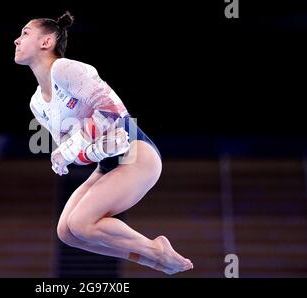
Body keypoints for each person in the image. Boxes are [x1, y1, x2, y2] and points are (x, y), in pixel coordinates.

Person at [14, 11, 193, 274]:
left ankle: (157, 250)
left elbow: (113, 111)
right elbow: (74, 151)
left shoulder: (66, 69)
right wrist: (86, 151)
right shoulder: (37, 103)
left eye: (25, 33)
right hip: (108, 163)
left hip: (136, 154)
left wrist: (74, 148)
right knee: (67, 232)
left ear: (46, 41)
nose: (16, 40)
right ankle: (151, 259)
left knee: (82, 223)